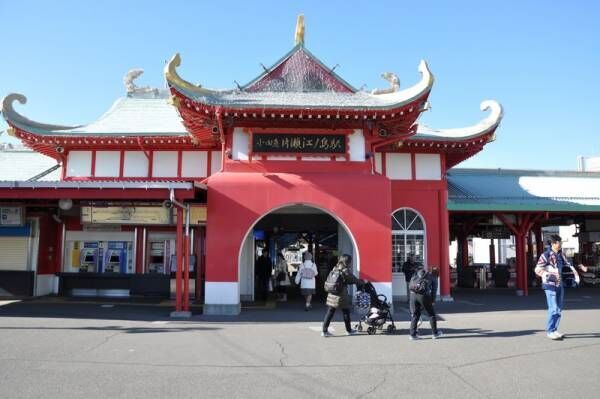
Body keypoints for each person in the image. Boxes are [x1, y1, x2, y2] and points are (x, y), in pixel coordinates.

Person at [534, 234, 581, 340]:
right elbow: (537, 269)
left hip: (560, 285)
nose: (561, 244)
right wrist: (548, 276)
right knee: (553, 309)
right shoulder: (545, 255)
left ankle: (554, 329)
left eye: (561, 242)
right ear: (553, 243)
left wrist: (575, 275)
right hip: (550, 285)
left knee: (559, 309)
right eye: (559, 242)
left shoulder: (561, 255)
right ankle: (550, 331)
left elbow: (568, 265)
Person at [321, 254, 364, 337]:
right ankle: (349, 330)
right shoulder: (345, 270)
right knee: (346, 312)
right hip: (341, 294)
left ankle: (324, 331)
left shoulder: (335, 268)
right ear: (347, 262)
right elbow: (352, 279)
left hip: (332, 293)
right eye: (350, 262)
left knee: (330, 312)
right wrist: (362, 282)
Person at [408, 267, 442, 340]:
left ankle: (412, 335)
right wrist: (433, 301)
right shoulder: (433, 277)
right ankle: (435, 333)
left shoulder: (417, 275)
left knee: (415, 315)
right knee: (431, 314)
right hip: (423, 296)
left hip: (413, 295)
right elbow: (434, 291)